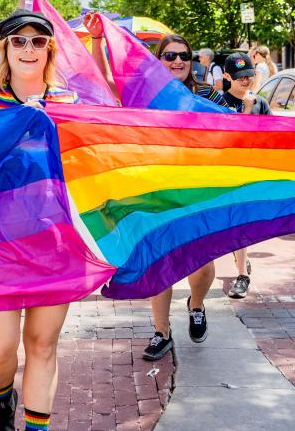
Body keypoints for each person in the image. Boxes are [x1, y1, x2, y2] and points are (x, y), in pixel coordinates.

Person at [0, 10, 78, 431]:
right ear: (5, 49)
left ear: (48, 48)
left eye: (37, 41)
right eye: (18, 41)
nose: (28, 48)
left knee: (42, 344)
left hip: (56, 241)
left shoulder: (69, 103)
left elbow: (83, 167)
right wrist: (15, 127)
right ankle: (1, 395)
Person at [84, 26, 216, 361]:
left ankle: (196, 303)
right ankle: (161, 332)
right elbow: (100, 78)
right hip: (155, 191)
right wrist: (98, 41)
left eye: (184, 56)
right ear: (159, 61)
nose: (177, 61)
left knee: (202, 265)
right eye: (170, 56)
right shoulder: (142, 94)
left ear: (191, 62)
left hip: (197, 191)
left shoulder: (205, 99)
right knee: (161, 261)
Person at [205, 53, 271, 300]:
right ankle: (240, 257)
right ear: (227, 76)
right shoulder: (218, 103)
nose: (245, 81)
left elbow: (271, 137)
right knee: (227, 225)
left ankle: (242, 275)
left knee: (240, 223)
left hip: (250, 173)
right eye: (240, 77)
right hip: (223, 174)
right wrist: (246, 110)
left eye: (249, 76)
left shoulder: (261, 103)